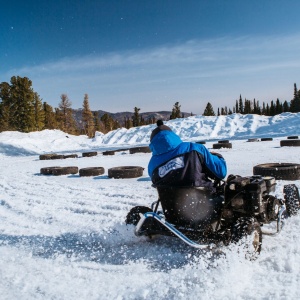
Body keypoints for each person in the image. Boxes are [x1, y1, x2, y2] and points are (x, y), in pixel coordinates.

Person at [148, 120, 227, 192]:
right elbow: (220, 172)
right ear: (173, 135)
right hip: (206, 200)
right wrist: (218, 156)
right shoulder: (194, 148)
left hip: (171, 205)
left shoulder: (151, 165)